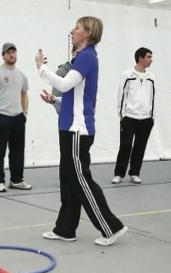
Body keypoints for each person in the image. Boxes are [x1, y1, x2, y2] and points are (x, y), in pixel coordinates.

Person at [36, 16, 127, 246]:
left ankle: (111, 227)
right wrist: (55, 99)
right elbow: (73, 93)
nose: (72, 31)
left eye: (77, 28)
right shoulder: (82, 58)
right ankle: (65, 229)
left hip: (78, 130)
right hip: (69, 127)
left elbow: (66, 84)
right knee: (68, 180)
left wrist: (42, 69)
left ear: (87, 33)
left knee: (81, 180)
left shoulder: (87, 57)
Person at [0, 42, 32, 193]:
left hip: (18, 118)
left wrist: (24, 112)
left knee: (18, 150)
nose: (12, 55)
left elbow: (24, 94)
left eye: (14, 52)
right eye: (8, 52)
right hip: (2, 117)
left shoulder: (21, 75)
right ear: (3, 55)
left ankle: (16, 180)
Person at [112, 47, 156, 185]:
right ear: (140, 58)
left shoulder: (151, 77)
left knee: (140, 147)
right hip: (129, 118)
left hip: (146, 119)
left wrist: (152, 117)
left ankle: (135, 173)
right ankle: (119, 174)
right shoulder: (127, 75)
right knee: (125, 146)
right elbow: (121, 95)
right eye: (148, 57)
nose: (151, 60)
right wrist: (122, 115)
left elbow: (153, 97)